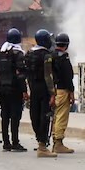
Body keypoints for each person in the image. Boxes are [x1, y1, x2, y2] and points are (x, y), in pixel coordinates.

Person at [0, 28, 28, 152]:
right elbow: (21, 75)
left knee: (5, 116)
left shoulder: (0, 53)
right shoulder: (18, 54)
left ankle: (6, 142)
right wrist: (24, 90)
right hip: (15, 90)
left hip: (2, 89)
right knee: (15, 117)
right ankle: (15, 142)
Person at [26, 29, 57, 158]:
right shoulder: (47, 55)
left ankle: (40, 141)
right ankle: (42, 146)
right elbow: (48, 76)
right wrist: (52, 93)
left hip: (33, 87)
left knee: (35, 115)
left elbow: (26, 73)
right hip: (44, 88)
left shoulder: (29, 54)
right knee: (45, 116)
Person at [50, 32, 76, 154]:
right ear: (66, 45)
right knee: (61, 116)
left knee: (55, 116)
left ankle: (54, 140)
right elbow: (67, 77)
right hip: (62, 90)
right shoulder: (63, 57)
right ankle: (58, 142)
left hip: (52, 90)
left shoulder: (50, 55)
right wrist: (71, 92)